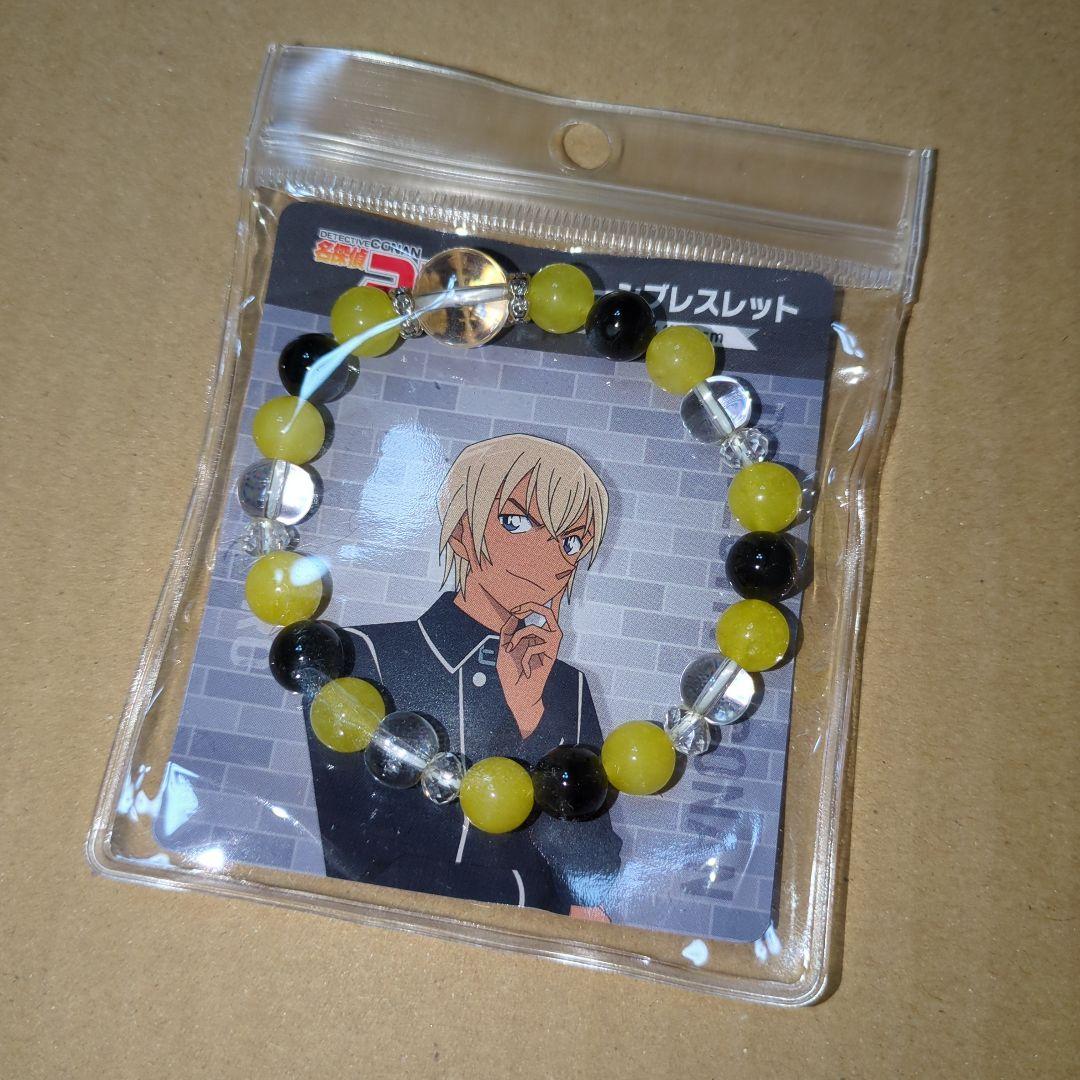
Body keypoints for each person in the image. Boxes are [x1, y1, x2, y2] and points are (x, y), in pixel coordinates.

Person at [305, 434, 623, 917]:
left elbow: (592, 868)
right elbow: (346, 839)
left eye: (571, 542)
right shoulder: (366, 655)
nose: (551, 558)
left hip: (528, 936)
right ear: (460, 533)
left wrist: (530, 716)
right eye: (517, 522)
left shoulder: (567, 688)